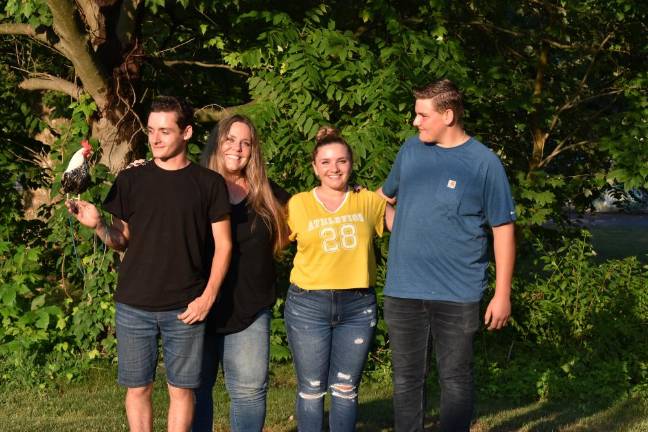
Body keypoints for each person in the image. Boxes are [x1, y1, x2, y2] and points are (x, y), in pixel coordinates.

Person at [66, 96, 232, 432]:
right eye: (152, 130)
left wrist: (208, 297)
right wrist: (99, 225)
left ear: (186, 133)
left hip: (186, 306)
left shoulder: (209, 184)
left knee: (182, 390)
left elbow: (224, 245)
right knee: (138, 388)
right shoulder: (132, 180)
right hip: (134, 305)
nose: (155, 138)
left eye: (165, 131)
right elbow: (121, 239)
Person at [378, 79, 516, 432]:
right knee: (407, 379)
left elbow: (502, 230)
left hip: (457, 295)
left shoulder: (484, 164)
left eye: (422, 115)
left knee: (455, 379)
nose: (415, 122)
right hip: (404, 291)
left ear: (448, 115)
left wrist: (502, 294)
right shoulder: (410, 152)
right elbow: (384, 202)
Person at [284, 126, 393, 432]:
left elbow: (407, 227)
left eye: (342, 161)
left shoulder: (368, 201)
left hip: (358, 306)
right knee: (312, 388)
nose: (334, 168)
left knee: (346, 388)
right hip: (308, 304)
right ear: (315, 167)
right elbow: (273, 241)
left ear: (351, 163)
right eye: (326, 162)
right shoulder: (298, 203)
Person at [192, 114, 290, 432]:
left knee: (249, 394)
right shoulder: (193, 184)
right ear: (217, 143)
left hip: (250, 308)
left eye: (245, 142)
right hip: (198, 306)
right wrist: (143, 170)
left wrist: (348, 188)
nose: (238, 147)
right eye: (230, 139)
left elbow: (310, 211)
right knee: (194, 392)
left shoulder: (265, 191)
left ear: (253, 150)